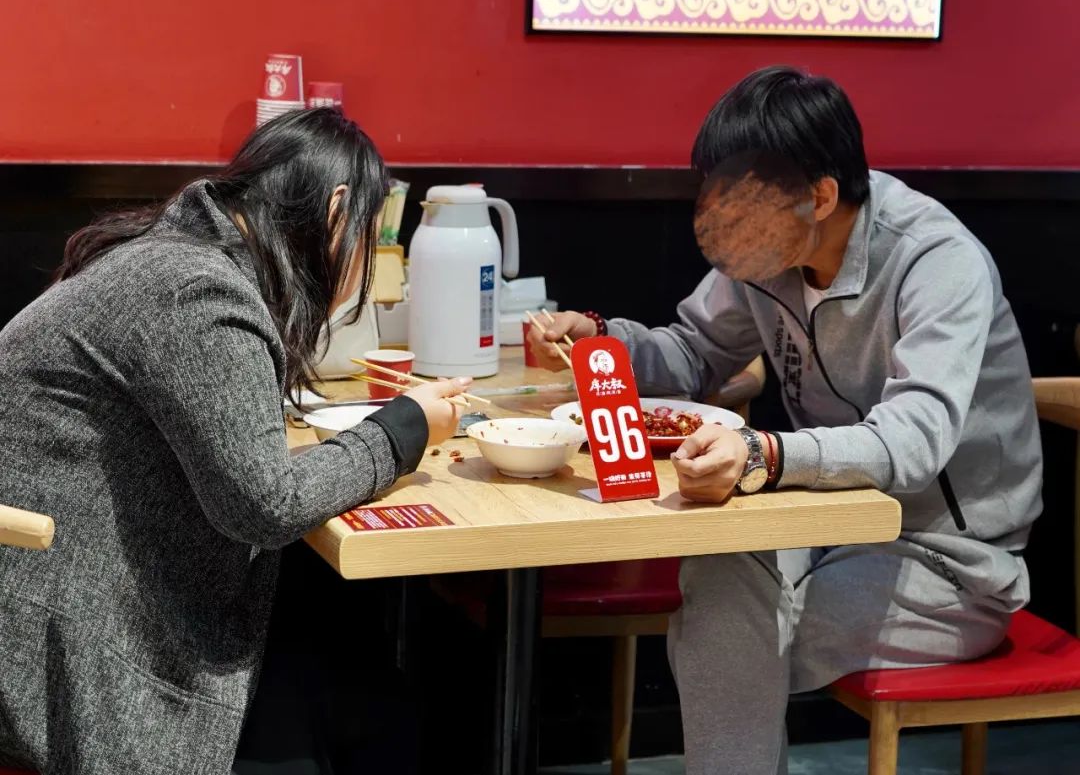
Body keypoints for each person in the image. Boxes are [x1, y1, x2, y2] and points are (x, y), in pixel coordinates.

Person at [531, 66, 1042, 774]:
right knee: (719, 582)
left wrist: (765, 455)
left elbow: (916, 439)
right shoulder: (767, 251)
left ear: (821, 197)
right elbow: (694, 352)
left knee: (730, 639)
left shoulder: (935, 260)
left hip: (948, 563)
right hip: (820, 529)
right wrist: (600, 340)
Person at [0, 108, 468, 774]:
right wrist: (403, 429)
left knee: (353, 667)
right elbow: (265, 505)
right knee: (369, 707)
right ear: (337, 212)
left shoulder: (178, 259)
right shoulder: (199, 291)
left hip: (58, 591)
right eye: (369, 235)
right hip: (56, 633)